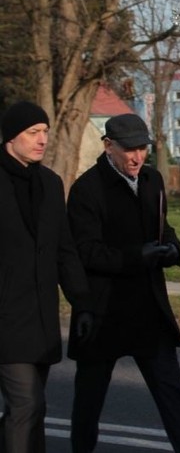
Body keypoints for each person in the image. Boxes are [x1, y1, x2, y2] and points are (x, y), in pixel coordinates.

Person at [66, 113, 180, 453]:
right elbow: (85, 252)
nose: (137, 157)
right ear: (108, 146)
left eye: (142, 149)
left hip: (149, 312)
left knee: (175, 398)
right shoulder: (86, 190)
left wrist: (172, 247)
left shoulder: (152, 180)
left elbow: (162, 226)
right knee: (88, 405)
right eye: (129, 149)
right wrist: (136, 256)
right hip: (102, 313)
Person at [0, 101, 92, 453]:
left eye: (45, 133)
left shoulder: (50, 183)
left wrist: (82, 302)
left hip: (40, 318)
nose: (42, 140)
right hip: (5, 317)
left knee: (31, 409)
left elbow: (64, 249)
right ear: (12, 137)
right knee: (27, 404)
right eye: (33, 133)